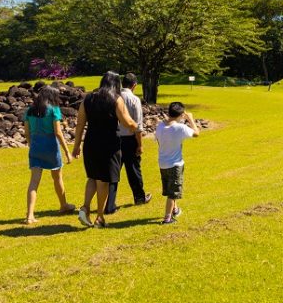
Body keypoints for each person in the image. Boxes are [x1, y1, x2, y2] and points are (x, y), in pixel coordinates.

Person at [72, 71, 139, 228]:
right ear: (116, 85)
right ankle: (100, 217)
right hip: (109, 144)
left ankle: (85, 207)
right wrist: (136, 126)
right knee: (105, 181)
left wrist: (76, 146)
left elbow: (80, 124)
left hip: (90, 143)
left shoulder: (88, 98)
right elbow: (127, 122)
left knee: (93, 177)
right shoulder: (116, 99)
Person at [23, 86, 76, 225]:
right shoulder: (54, 109)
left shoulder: (30, 110)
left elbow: (26, 133)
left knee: (34, 182)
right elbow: (58, 133)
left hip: (35, 146)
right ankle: (63, 205)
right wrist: (67, 152)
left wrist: (31, 145)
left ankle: (29, 216)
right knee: (57, 178)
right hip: (51, 146)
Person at [104, 72, 151, 214]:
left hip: (114, 139)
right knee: (134, 170)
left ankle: (110, 202)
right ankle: (139, 197)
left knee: (113, 172)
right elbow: (137, 125)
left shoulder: (112, 97)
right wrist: (140, 144)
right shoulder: (134, 99)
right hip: (129, 139)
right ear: (134, 85)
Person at [154, 101, 199, 225]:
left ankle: (175, 209)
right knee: (173, 193)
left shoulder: (160, 126)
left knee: (170, 188)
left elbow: (158, 141)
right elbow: (196, 133)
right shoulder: (180, 128)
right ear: (180, 115)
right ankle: (167, 218)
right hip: (175, 164)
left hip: (162, 163)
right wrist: (190, 119)